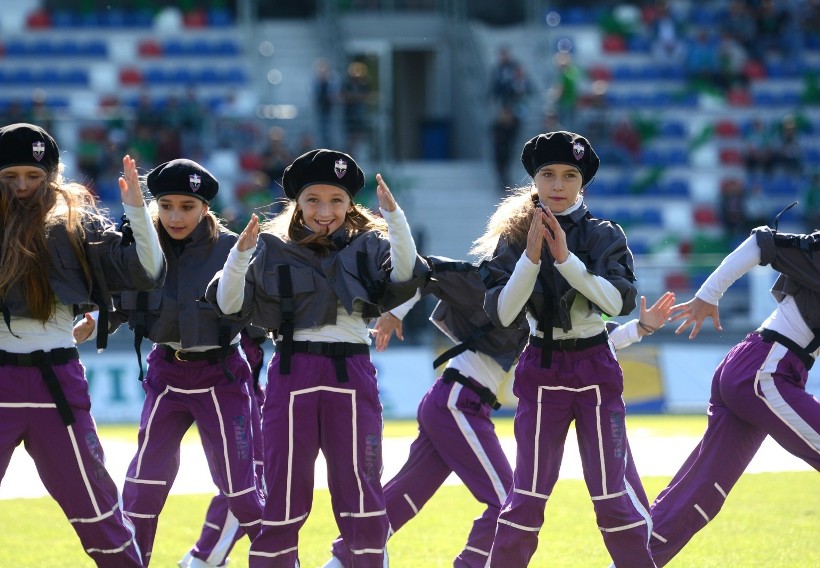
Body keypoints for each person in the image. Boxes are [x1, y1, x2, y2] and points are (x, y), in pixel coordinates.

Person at [321, 235, 675, 568]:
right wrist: (396, 312)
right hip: (458, 401)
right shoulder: (486, 281)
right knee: (509, 500)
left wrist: (640, 328)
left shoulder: (540, 295)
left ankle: (342, 559)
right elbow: (424, 269)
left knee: (407, 494)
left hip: (456, 401)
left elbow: (594, 338)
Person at [206, 148, 429, 567]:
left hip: (352, 372)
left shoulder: (370, 244)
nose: (325, 211)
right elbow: (228, 303)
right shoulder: (272, 246)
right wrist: (237, 257)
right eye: (313, 200)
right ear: (297, 203)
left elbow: (407, 274)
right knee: (283, 499)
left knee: (361, 495)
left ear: (350, 204)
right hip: (293, 371)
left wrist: (395, 218)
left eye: (336, 201)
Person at [0, 123, 165, 566]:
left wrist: (137, 209)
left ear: (51, 177)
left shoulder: (75, 222)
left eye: (34, 176)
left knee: (101, 518)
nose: (22, 187)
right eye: (11, 176)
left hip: (57, 379)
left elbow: (147, 272)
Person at [474, 131, 654, 567]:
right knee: (527, 498)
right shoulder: (515, 237)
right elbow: (502, 313)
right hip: (542, 367)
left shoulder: (604, 234)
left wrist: (566, 260)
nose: (558, 184)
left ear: (582, 182)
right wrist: (531, 257)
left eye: (570, 175)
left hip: (595, 366)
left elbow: (616, 304)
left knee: (612, 498)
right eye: (548, 174)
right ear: (534, 180)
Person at [95, 159, 264, 566]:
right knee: (142, 488)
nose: (175, 216)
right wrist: (97, 321)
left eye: (187, 206)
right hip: (165, 374)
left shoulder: (232, 248)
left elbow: (261, 311)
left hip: (223, 375)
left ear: (205, 207)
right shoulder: (139, 244)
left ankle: (281, 560)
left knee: (243, 492)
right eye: (166, 205)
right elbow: (123, 298)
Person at [648, 223, 820, 566]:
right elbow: (761, 241)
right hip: (766, 371)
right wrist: (709, 294)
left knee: (699, 496)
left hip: (756, 369)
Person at [178, 324, 268, 568]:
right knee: (245, 483)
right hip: (232, 375)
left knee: (239, 484)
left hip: (234, 376)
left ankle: (202, 556)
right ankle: (204, 558)